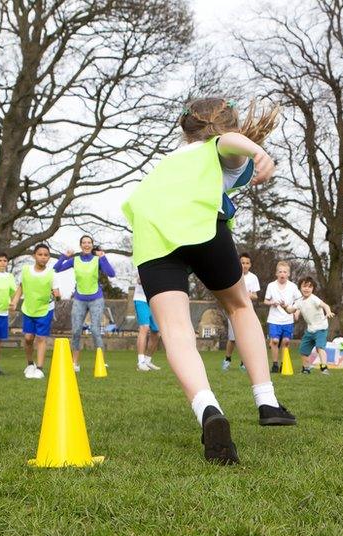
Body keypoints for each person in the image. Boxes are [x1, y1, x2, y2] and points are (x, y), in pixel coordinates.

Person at [122, 96, 296, 465]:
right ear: (228, 126)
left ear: (185, 128)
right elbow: (226, 144)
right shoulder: (215, 150)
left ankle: (208, 409)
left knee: (174, 330)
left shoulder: (168, 162)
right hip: (201, 228)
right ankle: (266, 400)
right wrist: (257, 151)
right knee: (238, 305)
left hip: (152, 236)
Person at [53, 235, 115, 372]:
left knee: (95, 330)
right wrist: (64, 256)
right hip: (79, 299)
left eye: (89, 243)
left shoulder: (97, 260)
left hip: (96, 299)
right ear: (80, 245)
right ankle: (75, 363)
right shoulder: (74, 260)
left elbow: (111, 274)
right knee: (75, 331)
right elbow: (56, 269)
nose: (87, 245)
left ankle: (101, 361)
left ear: (92, 245)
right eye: (84, 243)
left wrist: (103, 257)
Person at [10, 243, 60, 380]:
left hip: (45, 309)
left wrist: (57, 295)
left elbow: (57, 293)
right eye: (40, 254)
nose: (43, 257)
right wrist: (14, 301)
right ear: (34, 256)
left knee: (41, 338)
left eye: (46, 255)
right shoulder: (25, 270)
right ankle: (30, 364)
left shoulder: (52, 274)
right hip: (29, 309)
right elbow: (21, 287)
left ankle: (39, 368)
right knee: (28, 338)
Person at [283, 276, 335, 375]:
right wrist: (284, 306)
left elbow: (325, 305)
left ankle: (324, 368)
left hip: (321, 328)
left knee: (320, 347)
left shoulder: (314, 299)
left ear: (313, 289)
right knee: (303, 350)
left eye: (309, 287)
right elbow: (290, 311)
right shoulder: (299, 301)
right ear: (300, 288)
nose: (307, 289)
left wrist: (328, 312)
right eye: (304, 286)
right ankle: (306, 369)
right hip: (310, 330)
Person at [221, 252, 260, 371]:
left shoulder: (253, 278)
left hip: (247, 311)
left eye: (247, 263)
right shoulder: (233, 275)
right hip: (233, 310)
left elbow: (255, 296)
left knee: (246, 337)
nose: (245, 265)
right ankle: (227, 359)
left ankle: (244, 362)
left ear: (250, 265)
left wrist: (247, 295)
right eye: (242, 263)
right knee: (233, 338)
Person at [263, 261, 300, 373]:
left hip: (287, 319)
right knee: (274, 341)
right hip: (274, 319)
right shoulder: (271, 286)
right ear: (276, 273)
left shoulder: (293, 286)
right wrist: (272, 303)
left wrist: (296, 312)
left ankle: (285, 363)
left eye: (285, 272)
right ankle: (275, 364)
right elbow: (265, 301)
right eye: (280, 272)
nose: (282, 274)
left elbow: (299, 301)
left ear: (288, 274)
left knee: (286, 341)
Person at [133, 277, 161, 372]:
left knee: (156, 332)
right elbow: (139, 280)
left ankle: (147, 361)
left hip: (154, 301)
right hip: (141, 300)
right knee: (144, 328)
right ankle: (140, 362)